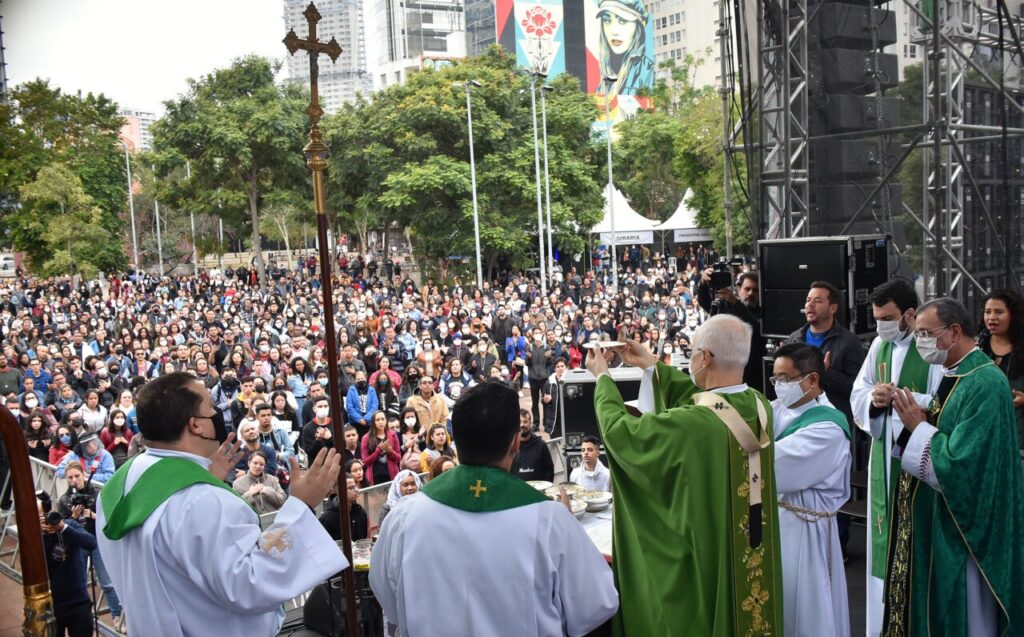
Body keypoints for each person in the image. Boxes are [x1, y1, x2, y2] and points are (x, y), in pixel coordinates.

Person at [96, 372, 347, 635]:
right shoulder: (202, 500)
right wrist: (302, 505)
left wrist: (204, 475)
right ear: (197, 425)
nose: (217, 412)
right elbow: (249, 583)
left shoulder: (120, 482)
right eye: (211, 407)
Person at [370, 380, 618, 636]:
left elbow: (388, 597)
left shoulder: (405, 516)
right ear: (516, 442)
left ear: (456, 440)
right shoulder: (550, 520)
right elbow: (595, 606)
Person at [590, 315, 784, 636]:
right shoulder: (759, 405)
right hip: (750, 543)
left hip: (709, 549)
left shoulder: (694, 425)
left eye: (692, 353)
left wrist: (603, 380)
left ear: (705, 357)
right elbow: (710, 399)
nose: (690, 359)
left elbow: (621, 433)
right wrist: (651, 365)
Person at [884, 298, 1024, 635]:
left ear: (955, 332)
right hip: (942, 517)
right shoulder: (957, 372)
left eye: (925, 333)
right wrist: (919, 421)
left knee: (967, 618)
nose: (920, 342)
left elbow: (962, 465)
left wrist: (918, 427)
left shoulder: (984, 382)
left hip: (966, 529)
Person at [849, 279, 944, 635]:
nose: (880, 326)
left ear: (909, 314)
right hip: (883, 459)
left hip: (917, 456)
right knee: (883, 543)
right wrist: (874, 399)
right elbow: (859, 392)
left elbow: (944, 401)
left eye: (887, 318)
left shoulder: (931, 348)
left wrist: (906, 399)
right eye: (876, 318)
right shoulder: (879, 345)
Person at [770, 344, 851, 637]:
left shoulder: (828, 427)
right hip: (778, 524)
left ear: (812, 380)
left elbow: (773, 466)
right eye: (775, 379)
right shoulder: (779, 409)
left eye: (785, 379)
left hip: (806, 529)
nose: (779, 386)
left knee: (806, 611)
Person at [57, 461, 123, 622]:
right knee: (79, 582)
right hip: (78, 543)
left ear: (83, 474)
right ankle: (83, 617)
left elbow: (109, 516)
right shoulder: (64, 500)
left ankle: (116, 616)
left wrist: (93, 516)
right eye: (70, 477)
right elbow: (62, 526)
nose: (74, 480)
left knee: (106, 582)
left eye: (77, 476)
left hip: (96, 541)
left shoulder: (98, 494)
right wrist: (73, 517)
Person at [39, 494, 97, 637]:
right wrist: (41, 535)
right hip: (50, 605)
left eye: (45, 515)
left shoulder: (68, 525)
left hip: (79, 601)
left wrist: (62, 527)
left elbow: (91, 543)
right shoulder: (33, 536)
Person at [977, 289, 1024, 459]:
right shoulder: (978, 347)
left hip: (1017, 439)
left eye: (999, 312)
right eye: (987, 312)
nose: (991, 317)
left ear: (1013, 315)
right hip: (984, 438)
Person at [595, 0, 655, 100]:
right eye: (607, 20)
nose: (614, 31)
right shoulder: (603, 71)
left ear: (639, 26)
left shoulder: (647, 71)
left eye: (622, 21)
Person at [232, 450, 287, 514]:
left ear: (264, 466)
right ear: (249, 463)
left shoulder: (273, 479)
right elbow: (236, 507)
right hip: (252, 519)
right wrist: (250, 493)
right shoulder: (237, 484)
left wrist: (268, 491)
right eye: (255, 463)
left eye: (261, 464)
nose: (258, 466)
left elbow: (283, 501)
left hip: (274, 517)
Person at [318, 474, 368, 542]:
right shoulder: (326, 519)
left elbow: (363, 540)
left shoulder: (360, 512)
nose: (356, 490)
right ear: (338, 490)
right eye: (351, 488)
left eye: (355, 486)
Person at [510, 409, 554, 483]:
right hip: (516, 489)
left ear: (530, 423)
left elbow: (549, 469)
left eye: (525, 422)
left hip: (537, 489)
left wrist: (545, 487)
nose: (522, 425)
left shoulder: (541, 445)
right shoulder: (510, 447)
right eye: (519, 422)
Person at [361, 410, 402, 485]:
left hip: (391, 475)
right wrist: (378, 451)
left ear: (386, 421)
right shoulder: (366, 438)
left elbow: (398, 458)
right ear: (373, 422)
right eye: (378, 420)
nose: (380, 422)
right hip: (375, 476)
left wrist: (390, 451)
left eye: (383, 419)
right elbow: (365, 461)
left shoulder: (393, 435)